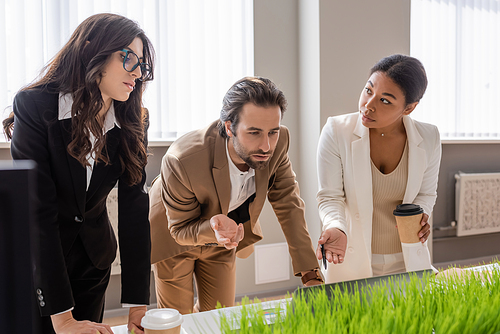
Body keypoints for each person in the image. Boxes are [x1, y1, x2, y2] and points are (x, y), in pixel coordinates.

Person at [2, 13, 154, 334]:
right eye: (128, 58)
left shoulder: (133, 121)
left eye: (142, 64)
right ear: (90, 51)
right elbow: (37, 212)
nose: (138, 73)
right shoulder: (34, 105)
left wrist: (137, 305)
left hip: (93, 262)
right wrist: (63, 318)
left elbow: (134, 211)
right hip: (39, 267)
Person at [149, 76, 323, 315]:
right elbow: (179, 229)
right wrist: (212, 228)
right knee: (178, 319)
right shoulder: (181, 159)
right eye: (254, 132)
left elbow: (288, 203)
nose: (266, 146)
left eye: (272, 131)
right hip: (177, 234)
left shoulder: (277, 143)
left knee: (219, 316)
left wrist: (310, 274)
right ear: (229, 127)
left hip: (226, 235)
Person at [316, 54, 441, 283]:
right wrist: (336, 227)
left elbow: (426, 193)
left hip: (407, 260)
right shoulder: (336, 131)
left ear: (409, 108)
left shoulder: (429, 137)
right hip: (353, 259)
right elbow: (330, 197)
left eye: (385, 100)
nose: (368, 105)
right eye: (368, 90)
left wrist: (421, 215)